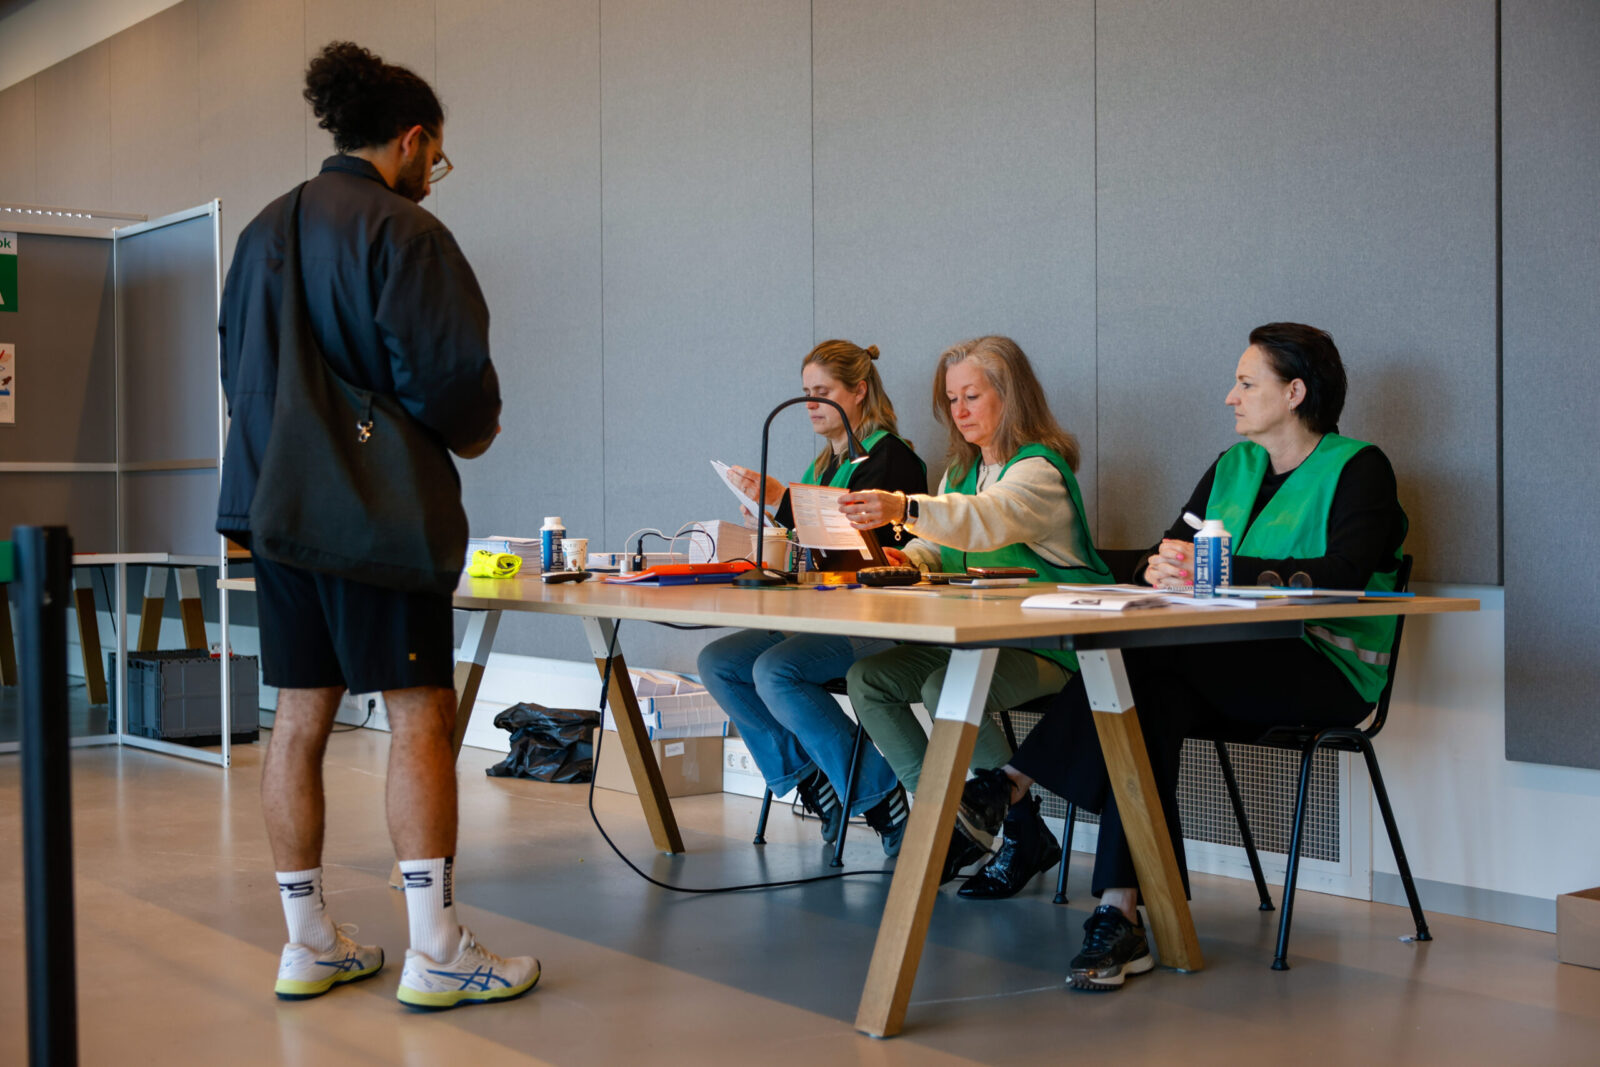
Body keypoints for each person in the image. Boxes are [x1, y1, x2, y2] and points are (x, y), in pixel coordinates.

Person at [217, 41, 538, 1010]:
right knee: (417, 715)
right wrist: (472, 433)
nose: (431, 176)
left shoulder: (262, 230)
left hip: (275, 510)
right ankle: (436, 945)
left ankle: (307, 939)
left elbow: (238, 373)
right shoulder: (404, 232)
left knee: (299, 716)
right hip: (373, 516)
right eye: (432, 158)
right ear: (409, 140)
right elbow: (448, 385)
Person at [966, 322, 1407, 992]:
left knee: (1139, 664)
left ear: (1294, 391)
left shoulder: (1360, 467)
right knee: (1146, 700)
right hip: (1213, 664)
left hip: (1321, 669)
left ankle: (1014, 780)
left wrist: (1218, 571)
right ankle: (1120, 913)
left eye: (1246, 382)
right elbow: (1164, 549)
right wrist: (1161, 567)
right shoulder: (1232, 466)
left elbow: (1344, 572)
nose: (1230, 396)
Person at [839, 335, 1112, 890]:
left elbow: (986, 519)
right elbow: (939, 547)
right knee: (868, 680)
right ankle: (947, 819)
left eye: (972, 397)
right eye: (952, 400)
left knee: (947, 688)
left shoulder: (1039, 472)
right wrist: (903, 556)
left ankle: (1014, 827)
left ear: (1009, 398)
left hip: (1053, 645)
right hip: (980, 638)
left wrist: (904, 508)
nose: (960, 412)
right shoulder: (959, 472)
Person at [699, 341, 926, 854]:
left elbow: (859, 552)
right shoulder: (826, 463)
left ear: (859, 391)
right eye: (805, 393)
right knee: (718, 662)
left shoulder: (890, 460)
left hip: (877, 622)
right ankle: (815, 783)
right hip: (824, 617)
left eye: (823, 392)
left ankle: (878, 794)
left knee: (774, 671)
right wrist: (769, 526)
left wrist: (783, 502)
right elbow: (811, 549)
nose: (810, 405)